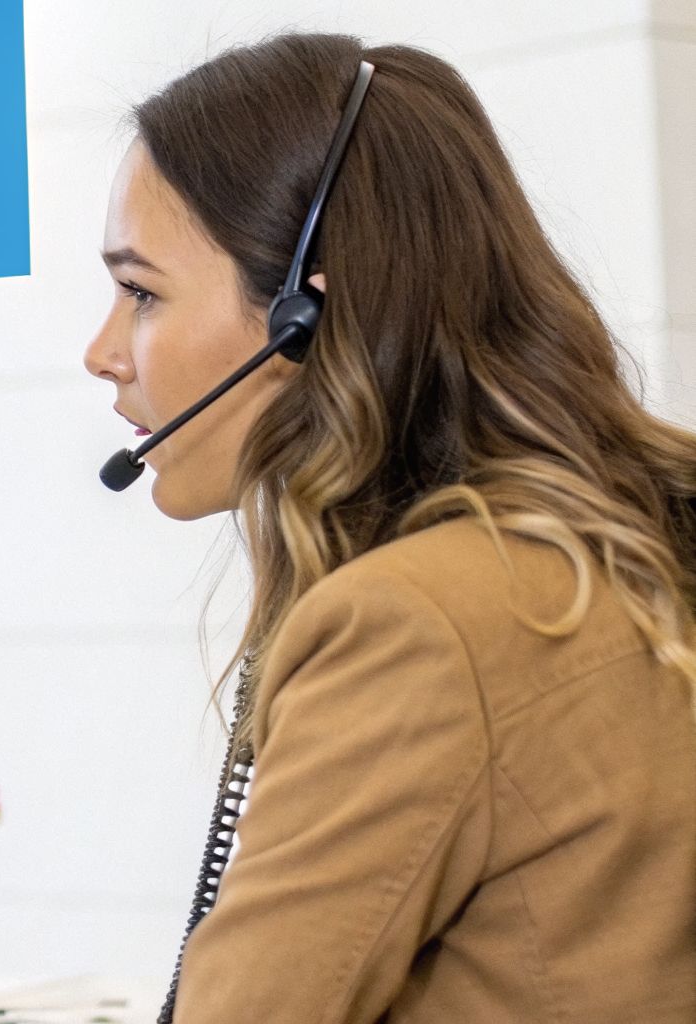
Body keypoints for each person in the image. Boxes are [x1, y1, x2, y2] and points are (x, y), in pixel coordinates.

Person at [83, 32, 696, 1022]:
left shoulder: (415, 622)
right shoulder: (622, 540)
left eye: (140, 292)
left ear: (303, 319)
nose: (100, 352)